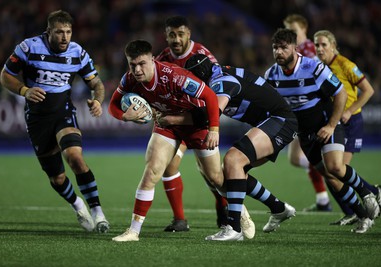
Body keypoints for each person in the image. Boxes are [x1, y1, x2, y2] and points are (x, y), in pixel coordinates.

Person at [157, 53, 299, 241]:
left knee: (233, 160)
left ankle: (233, 228)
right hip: (273, 122)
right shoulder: (216, 76)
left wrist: (171, 119)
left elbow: (211, 114)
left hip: (279, 120)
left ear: (198, 75)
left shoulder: (221, 82)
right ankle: (279, 208)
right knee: (233, 172)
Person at [0, 10, 109, 233]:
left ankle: (98, 212)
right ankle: (77, 205)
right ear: (49, 32)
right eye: (59, 32)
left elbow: (97, 84)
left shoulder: (78, 52)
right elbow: (5, 76)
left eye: (68, 32)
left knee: (75, 158)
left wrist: (97, 100)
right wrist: (24, 90)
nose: (65, 37)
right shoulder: (29, 48)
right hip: (38, 119)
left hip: (63, 112)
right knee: (57, 178)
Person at [264, 28, 380, 233]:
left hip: (326, 125)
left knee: (335, 167)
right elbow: (272, 106)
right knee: (332, 179)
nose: (278, 52)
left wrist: (331, 125)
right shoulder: (272, 75)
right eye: (275, 48)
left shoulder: (313, 67)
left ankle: (367, 193)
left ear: (294, 48)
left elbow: (341, 94)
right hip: (304, 134)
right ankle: (363, 216)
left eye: (283, 48)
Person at [108, 39, 223, 242]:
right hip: (167, 125)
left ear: (152, 60)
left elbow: (210, 97)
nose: (137, 69)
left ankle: (241, 214)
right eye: (132, 64)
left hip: (194, 124)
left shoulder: (175, 76)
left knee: (216, 178)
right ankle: (133, 231)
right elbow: (113, 105)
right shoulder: (130, 79)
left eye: (142, 63)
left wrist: (214, 129)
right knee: (152, 171)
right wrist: (124, 116)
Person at [155, 15, 228, 231]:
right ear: (166, 35)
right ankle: (180, 220)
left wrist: (212, 124)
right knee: (168, 166)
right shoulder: (163, 58)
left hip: (198, 121)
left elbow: (216, 92)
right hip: (176, 123)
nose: (176, 39)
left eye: (180, 34)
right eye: (171, 35)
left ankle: (223, 204)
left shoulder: (203, 57)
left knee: (212, 174)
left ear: (189, 34)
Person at [313, 30, 381, 225]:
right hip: (332, 122)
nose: (319, 49)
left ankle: (372, 192)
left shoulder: (345, 65)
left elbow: (369, 90)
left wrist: (349, 110)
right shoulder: (317, 67)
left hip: (350, 122)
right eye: (317, 45)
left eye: (323, 45)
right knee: (330, 172)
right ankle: (351, 211)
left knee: (337, 170)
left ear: (333, 45)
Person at [283, 14, 331, 211]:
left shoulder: (310, 49)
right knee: (295, 158)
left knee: (304, 156)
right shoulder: (295, 50)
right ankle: (323, 197)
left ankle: (328, 192)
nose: (292, 35)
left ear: (305, 29)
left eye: (294, 31)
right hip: (299, 109)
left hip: (311, 110)